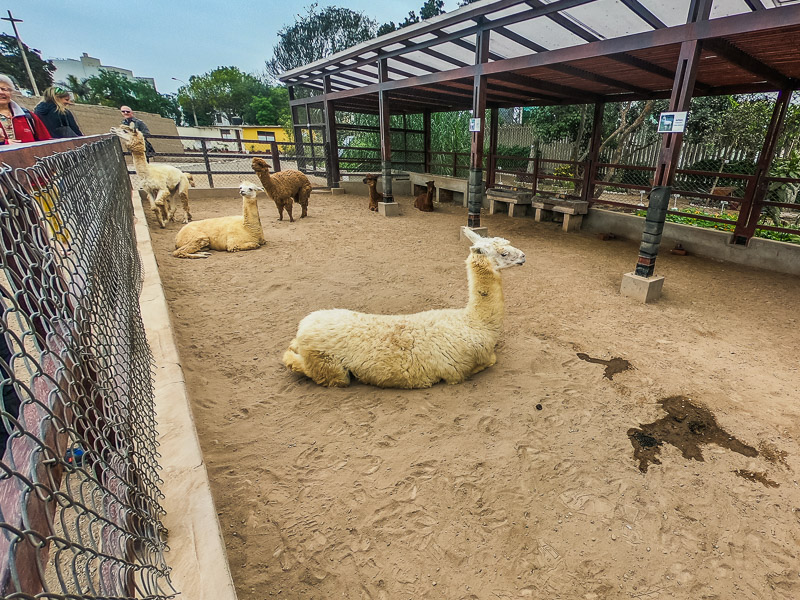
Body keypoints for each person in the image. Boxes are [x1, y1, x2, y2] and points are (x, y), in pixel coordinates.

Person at [0, 74, 51, 145]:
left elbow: (47, 142)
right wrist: (3, 143)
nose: (1, 92)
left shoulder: (28, 116)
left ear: (11, 92)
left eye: (4, 89)